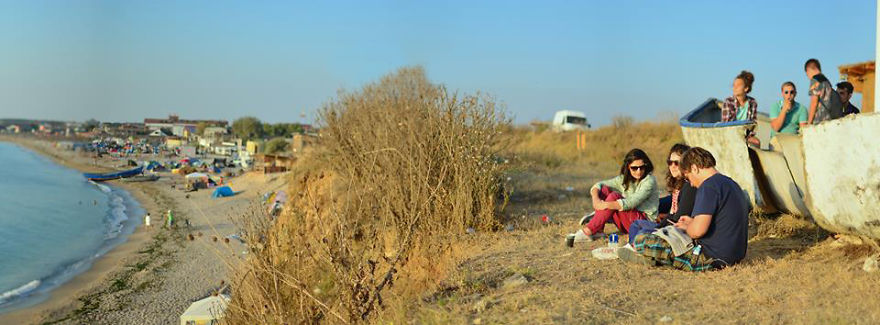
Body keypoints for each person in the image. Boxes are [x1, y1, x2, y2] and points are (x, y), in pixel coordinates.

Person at [621, 147, 749, 271]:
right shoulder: (731, 183)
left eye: (688, 177)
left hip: (710, 258)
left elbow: (696, 232)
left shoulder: (708, 187)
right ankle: (655, 259)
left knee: (641, 240)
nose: (691, 183)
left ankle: (650, 259)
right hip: (734, 256)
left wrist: (687, 227)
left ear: (694, 168)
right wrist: (691, 222)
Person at [568, 149, 659, 244]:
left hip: (644, 224)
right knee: (604, 190)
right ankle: (598, 230)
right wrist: (596, 200)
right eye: (634, 168)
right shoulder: (624, 179)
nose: (639, 171)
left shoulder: (649, 181)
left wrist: (604, 205)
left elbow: (631, 202)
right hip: (629, 221)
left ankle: (588, 231)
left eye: (642, 167)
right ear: (628, 167)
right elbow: (599, 185)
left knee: (614, 196)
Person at [627, 144, 697, 245]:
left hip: (677, 231)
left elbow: (679, 218)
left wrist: (658, 229)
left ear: (686, 163)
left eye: (676, 163)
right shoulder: (677, 185)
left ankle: (636, 247)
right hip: (669, 225)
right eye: (670, 162)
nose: (672, 166)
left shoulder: (689, 186)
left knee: (643, 233)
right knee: (637, 224)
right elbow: (672, 213)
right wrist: (659, 226)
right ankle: (633, 246)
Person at [721, 71, 760, 146]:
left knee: (756, 142)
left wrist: (746, 137)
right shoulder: (728, 102)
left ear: (746, 88)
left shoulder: (752, 102)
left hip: (746, 136)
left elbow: (752, 125)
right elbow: (726, 125)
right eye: (734, 85)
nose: (734, 87)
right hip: (730, 135)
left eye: (738, 85)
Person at [805, 58, 844, 124]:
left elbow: (814, 103)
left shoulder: (815, 80)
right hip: (830, 119)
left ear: (808, 70)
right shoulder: (826, 81)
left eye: (807, 74)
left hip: (820, 120)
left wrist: (809, 122)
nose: (808, 76)